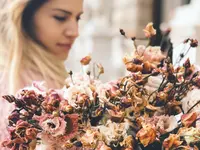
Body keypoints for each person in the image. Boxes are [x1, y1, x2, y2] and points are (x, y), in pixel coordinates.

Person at [0, 0, 83, 148]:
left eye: (78, 18)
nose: (75, 32)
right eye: (60, 17)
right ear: (27, 16)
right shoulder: (14, 87)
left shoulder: (65, 81)